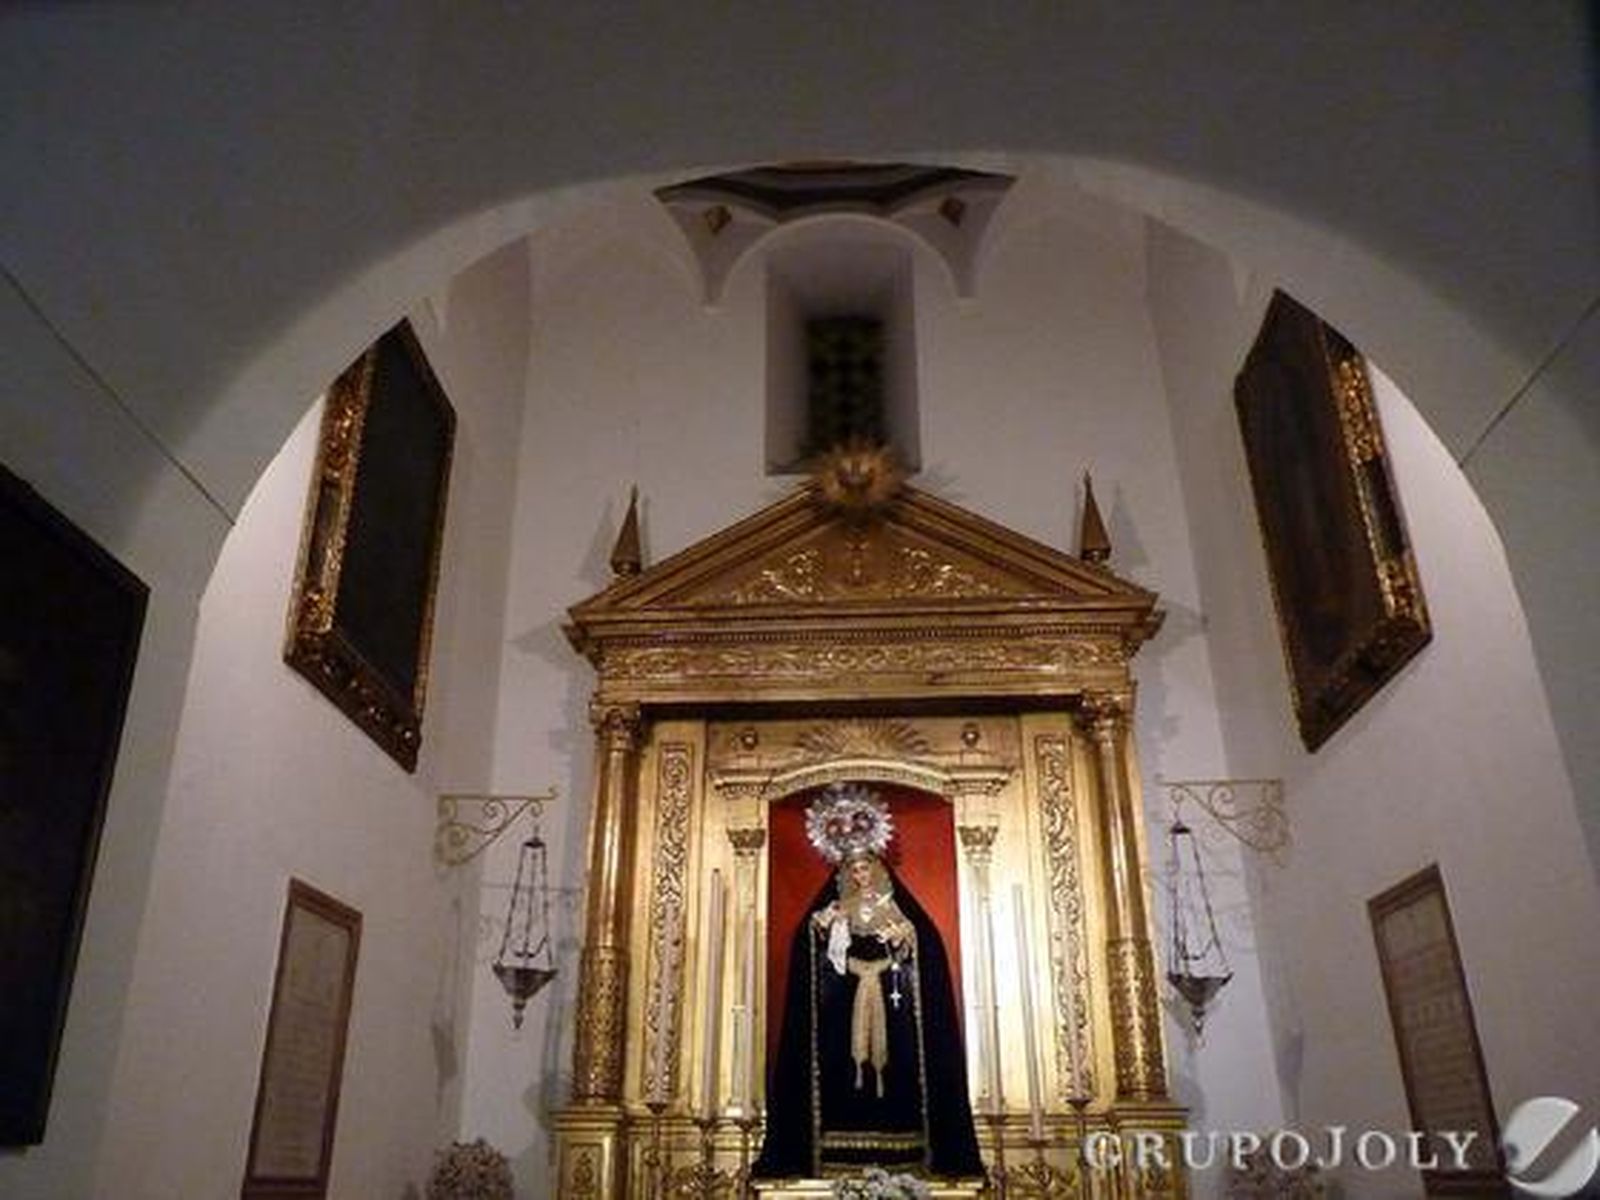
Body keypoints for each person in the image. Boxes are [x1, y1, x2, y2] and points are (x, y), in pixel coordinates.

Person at [754, 784, 983, 1180]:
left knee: (894, 1075)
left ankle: (908, 1154)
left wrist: (906, 939)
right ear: (844, 872)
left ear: (877, 869)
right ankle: (834, 1154)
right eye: (853, 869)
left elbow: (921, 948)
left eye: (866, 868)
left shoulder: (894, 909)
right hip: (841, 1014)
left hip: (893, 1010)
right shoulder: (835, 909)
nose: (860, 875)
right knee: (844, 1076)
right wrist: (820, 930)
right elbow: (817, 961)